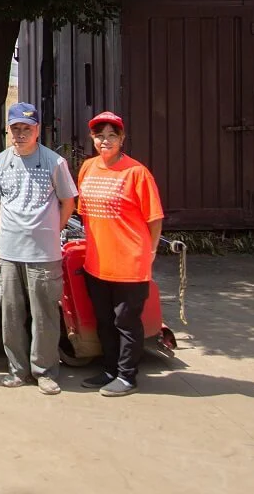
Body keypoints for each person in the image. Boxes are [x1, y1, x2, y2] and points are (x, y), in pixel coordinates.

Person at [0, 102, 77, 395]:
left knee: (45, 314)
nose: (21, 134)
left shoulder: (54, 162)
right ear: (8, 130)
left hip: (43, 254)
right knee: (11, 314)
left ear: (37, 131)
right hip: (9, 252)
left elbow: (68, 202)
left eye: (27, 129)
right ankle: (17, 370)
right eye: (16, 128)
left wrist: (52, 231)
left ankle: (45, 371)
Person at [76, 111, 165, 397]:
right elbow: (86, 215)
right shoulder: (88, 168)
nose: (105, 140)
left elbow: (154, 218)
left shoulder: (137, 172)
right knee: (104, 321)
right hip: (96, 262)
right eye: (99, 135)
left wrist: (149, 251)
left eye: (111, 135)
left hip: (129, 263)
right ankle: (109, 369)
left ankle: (127, 376)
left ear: (122, 138)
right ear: (92, 138)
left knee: (125, 322)